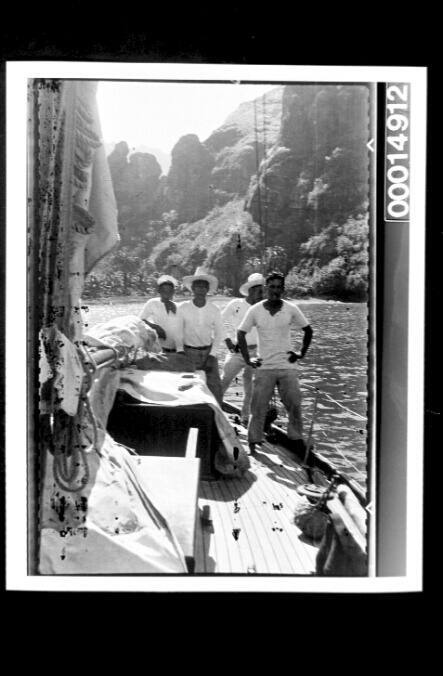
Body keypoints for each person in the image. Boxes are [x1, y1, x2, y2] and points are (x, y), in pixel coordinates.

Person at [237, 271, 313, 455]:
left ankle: (296, 439)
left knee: (294, 403)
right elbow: (241, 333)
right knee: (258, 407)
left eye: (279, 287)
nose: (275, 291)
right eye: (272, 287)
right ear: (265, 288)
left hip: (287, 366)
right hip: (265, 367)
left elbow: (308, 330)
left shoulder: (291, 308)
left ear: (283, 289)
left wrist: (300, 353)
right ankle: (254, 441)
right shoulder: (255, 310)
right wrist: (248, 359)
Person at [221, 272, 264, 425]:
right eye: (258, 290)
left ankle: (246, 419)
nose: (261, 293)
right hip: (237, 351)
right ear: (251, 290)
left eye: (262, 290)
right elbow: (220, 322)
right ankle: (214, 412)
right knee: (224, 381)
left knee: (251, 389)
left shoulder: (264, 308)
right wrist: (227, 341)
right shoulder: (236, 304)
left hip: (256, 352)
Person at [180, 266, 223, 406]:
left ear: (207, 289)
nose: (200, 289)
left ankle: (217, 419)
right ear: (192, 288)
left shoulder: (214, 309)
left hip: (208, 352)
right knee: (186, 386)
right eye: (197, 286)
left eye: (204, 286)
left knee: (215, 387)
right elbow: (177, 331)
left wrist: (212, 355)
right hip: (188, 352)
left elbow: (219, 333)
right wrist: (181, 352)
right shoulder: (182, 308)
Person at [139, 275, 184, 353]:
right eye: (164, 290)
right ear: (159, 291)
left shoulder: (178, 306)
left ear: (173, 292)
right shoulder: (153, 303)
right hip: (160, 348)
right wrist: (155, 327)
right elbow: (140, 320)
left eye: (170, 290)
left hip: (178, 348)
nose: (167, 293)